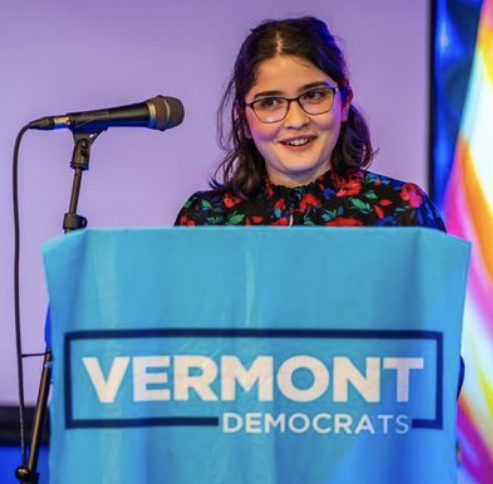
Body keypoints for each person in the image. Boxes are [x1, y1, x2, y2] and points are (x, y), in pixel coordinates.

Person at [175, 16, 445, 231]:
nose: (296, 120)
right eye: (270, 102)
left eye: (314, 95)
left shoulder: (402, 210)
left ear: (345, 103)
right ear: (243, 119)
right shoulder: (205, 219)